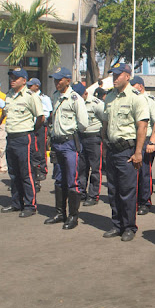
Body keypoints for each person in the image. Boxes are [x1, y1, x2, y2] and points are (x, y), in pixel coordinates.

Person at [101, 63, 149, 241]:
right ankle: (117, 224)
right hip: (112, 149)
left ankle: (129, 226)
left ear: (127, 76)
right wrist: (105, 147)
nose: (114, 78)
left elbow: (142, 126)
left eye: (118, 75)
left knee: (127, 191)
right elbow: (105, 124)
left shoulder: (136, 97)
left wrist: (138, 153)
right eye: (113, 75)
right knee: (113, 190)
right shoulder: (110, 97)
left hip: (127, 150)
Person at [43, 68, 88, 229]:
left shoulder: (75, 99)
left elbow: (83, 124)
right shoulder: (55, 96)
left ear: (67, 81)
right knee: (59, 179)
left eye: (59, 80)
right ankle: (59, 213)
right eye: (55, 80)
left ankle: (73, 216)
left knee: (72, 181)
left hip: (69, 144)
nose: (56, 82)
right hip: (57, 143)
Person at [0, 67, 44, 218]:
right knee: (14, 173)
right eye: (11, 77)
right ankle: (16, 203)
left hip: (24, 137)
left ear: (24, 81)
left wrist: (31, 131)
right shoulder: (9, 96)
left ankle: (30, 205)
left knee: (26, 173)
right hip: (11, 137)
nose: (12, 80)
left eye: (16, 78)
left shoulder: (30, 96)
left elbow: (40, 117)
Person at [131, 76, 155, 215]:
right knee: (132, 173)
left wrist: (152, 141)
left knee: (144, 172)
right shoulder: (131, 100)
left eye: (133, 85)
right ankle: (134, 200)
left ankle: (145, 201)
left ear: (140, 86)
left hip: (145, 140)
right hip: (131, 139)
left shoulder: (150, 101)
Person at [73, 83, 105, 207]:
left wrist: (102, 138)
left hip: (93, 138)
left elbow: (105, 120)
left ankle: (93, 195)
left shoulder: (96, 104)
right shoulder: (75, 102)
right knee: (81, 167)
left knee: (96, 168)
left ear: (85, 93)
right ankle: (81, 192)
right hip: (81, 137)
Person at [27, 78, 52, 180]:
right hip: (31, 125)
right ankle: (35, 168)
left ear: (37, 86)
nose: (29, 87)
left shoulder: (44, 98)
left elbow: (49, 112)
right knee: (33, 149)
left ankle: (42, 169)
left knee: (41, 147)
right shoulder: (28, 96)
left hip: (41, 125)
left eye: (31, 85)